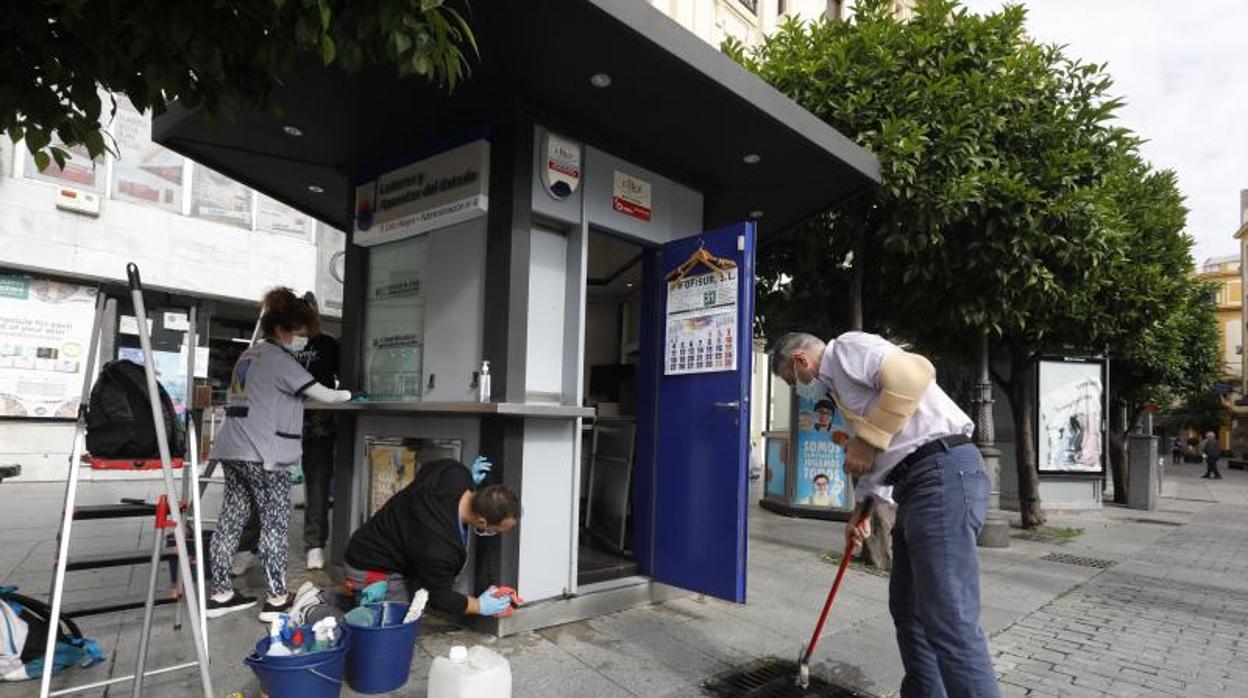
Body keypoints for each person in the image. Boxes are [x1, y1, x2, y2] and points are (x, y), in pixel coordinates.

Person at [771, 331, 998, 697]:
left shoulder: (844, 348)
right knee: (909, 611)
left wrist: (867, 439)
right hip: (914, 485)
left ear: (800, 358)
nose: (797, 387)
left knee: (949, 617)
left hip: (941, 472)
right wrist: (860, 510)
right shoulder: (840, 389)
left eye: (790, 379)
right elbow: (881, 458)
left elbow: (912, 375)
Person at [205, 288, 352, 621]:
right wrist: (350, 394)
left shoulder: (249, 355)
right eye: (301, 333)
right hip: (265, 453)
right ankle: (275, 600)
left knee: (230, 519)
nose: (302, 340)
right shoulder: (279, 359)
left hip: (234, 449)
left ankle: (221, 593)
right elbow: (325, 395)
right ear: (287, 329)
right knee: (274, 523)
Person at [343, 458, 524, 618]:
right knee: (391, 626)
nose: (496, 534)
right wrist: (481, 606)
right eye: (495, 530)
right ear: (482, 521)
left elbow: (427, 470)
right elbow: (440, 598)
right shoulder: (438, 546)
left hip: (375, 541)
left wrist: (469, 482)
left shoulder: (454, 472)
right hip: (372, 566)